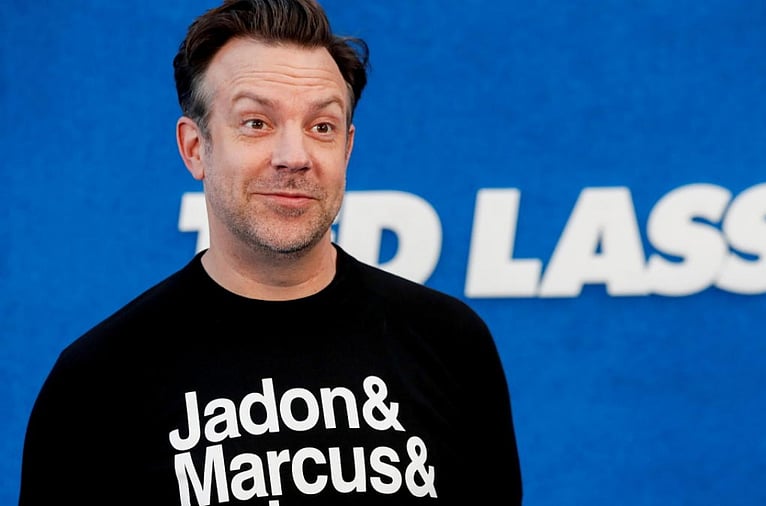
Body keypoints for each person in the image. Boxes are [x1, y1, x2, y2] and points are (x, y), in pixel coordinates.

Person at [18, 0, 522, 504]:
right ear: (196, 148)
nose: (294, 157)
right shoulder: (98, 382)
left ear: (346, 149)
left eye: (320, 127)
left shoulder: (452, 344)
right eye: (256, 123)